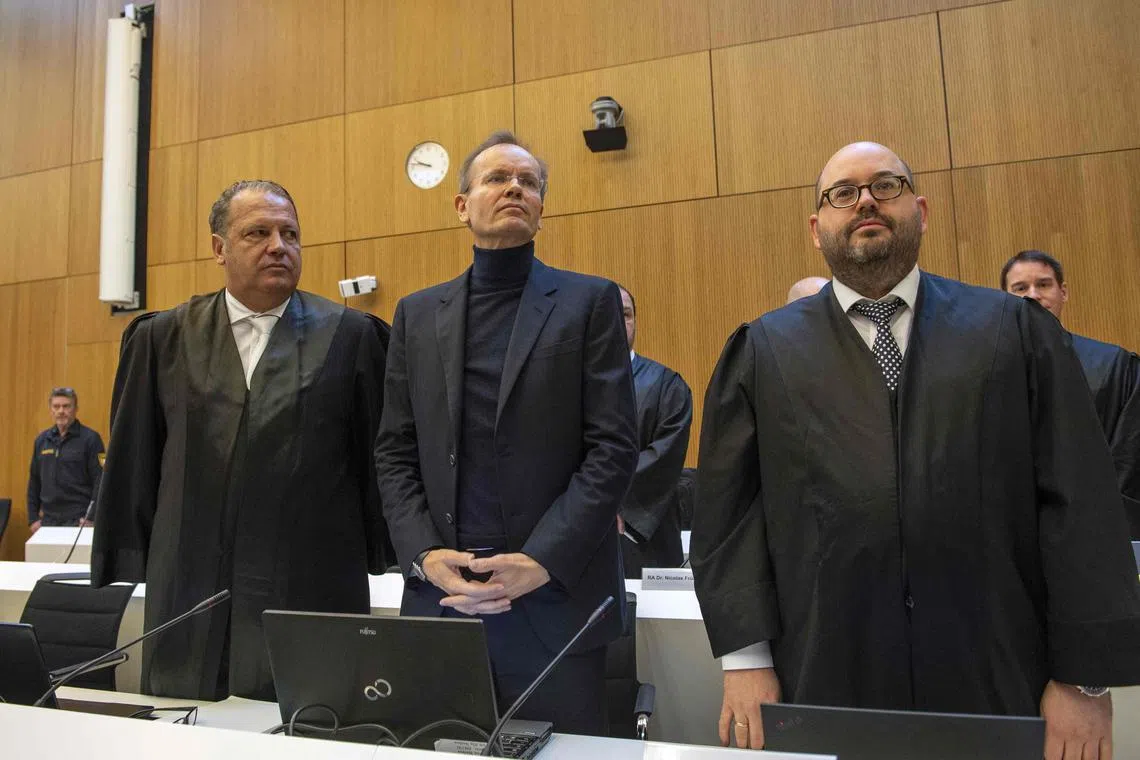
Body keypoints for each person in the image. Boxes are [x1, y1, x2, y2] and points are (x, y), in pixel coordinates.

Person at [691, 141, 1140, 759]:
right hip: (825, 666)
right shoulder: (762, 352)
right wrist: (745, 660)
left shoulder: (1014, 331)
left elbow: (1081, 503)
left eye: (887, 185)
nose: (866, 200)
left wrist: (1084, 678)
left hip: (996, 662)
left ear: (922, 211)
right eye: (842, 193)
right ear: (816, 228)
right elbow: (730, 517)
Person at [375, 131, 638, 735]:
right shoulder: (416, 314)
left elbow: (613, 448)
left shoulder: (589, 302)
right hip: (445, 598)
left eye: (528, 182)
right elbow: (395, 450)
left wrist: (541, 560)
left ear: (542, 208)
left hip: (555, 601)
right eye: (496, 178)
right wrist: (422, 553)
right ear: (463, 206)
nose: (514, 187)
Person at [92, 180, 392, 701]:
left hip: (312, 581)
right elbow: (137, 458)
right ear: (219, 247)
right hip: (192, 582)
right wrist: (127, 552)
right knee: (187, 723)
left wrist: (388, 549)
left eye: (290, 233)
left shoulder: (352, 336)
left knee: (310, 723)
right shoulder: (162, 338)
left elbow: (377, 463)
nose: (279, 245)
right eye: (258, 232)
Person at [1001, 249, 1140, 538]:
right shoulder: (983, 371)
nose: (1033, 295)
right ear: (1003, 297)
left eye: (1043, 284)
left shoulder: (1113, 366)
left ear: (1063, 292)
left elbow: (1128, 460)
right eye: (1020, 288)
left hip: (1096, 531)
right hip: (1013, 531)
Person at [615, 284, 693, 576]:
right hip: (581, 532)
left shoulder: (667, 386)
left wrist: (608, 501)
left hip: (646, 532)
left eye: (625, 314)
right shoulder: (568, 386)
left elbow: (665, 455)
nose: (618, 322)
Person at [27, 387, 104, 533]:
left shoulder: (92, 439)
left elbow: (101, 479)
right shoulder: (42, 441)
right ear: (51, 409)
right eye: (56, 406)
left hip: (79, 521)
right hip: (47, 521)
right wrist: (32, 518)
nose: (61, 411)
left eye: (66, 406)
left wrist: (92, 517)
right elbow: (34, 481)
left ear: (75, 409)